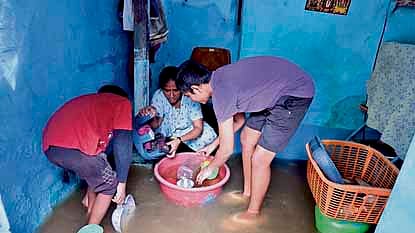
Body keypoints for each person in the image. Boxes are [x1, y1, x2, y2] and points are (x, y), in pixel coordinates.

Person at [176, 56, 314, 223]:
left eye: (189, 96)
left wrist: (210, 167)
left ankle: (253, 213)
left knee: (260, 159)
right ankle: (247, 193)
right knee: (246, 138)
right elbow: (239, 121)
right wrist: (212, 146)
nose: (192, 100)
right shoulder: (218, 78)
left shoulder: (221, 95)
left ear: (195, 89)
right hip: (273, 93)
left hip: (294, 93)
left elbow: (226, 151)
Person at [42, 85, 133, 226]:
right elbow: (123, 145)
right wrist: (121, 184)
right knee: (110, 184)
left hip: (51, 149)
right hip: (73, 150)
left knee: (98, 168)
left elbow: (95, 164)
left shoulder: (91, 107)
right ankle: (91, 228)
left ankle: (90, 209)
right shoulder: (122, 103)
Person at [139, 66, 217, 158]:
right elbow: (157, 123)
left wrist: (179, 140)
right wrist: (150, 113)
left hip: (188, 130)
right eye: (167, 91)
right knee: (159, 143)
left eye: (176, 90)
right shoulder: (159, 96)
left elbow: (198, 128)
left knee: (208, 136)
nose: (171, 95)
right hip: (169, 132)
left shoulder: (190, 96)